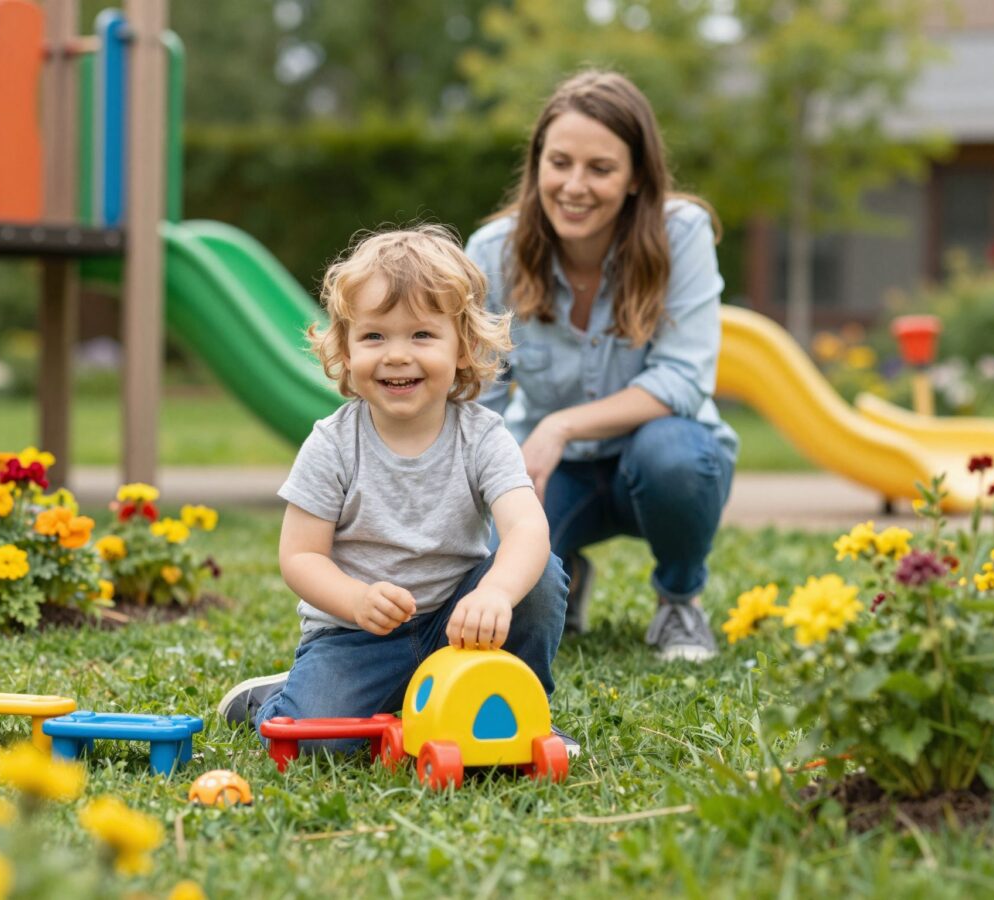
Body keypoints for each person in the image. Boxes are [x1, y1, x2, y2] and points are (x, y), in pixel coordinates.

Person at [217, 225, 574, 754]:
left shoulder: (482, 436)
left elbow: (526, 526)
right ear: (345, 346)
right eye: (375, 336)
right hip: (357, 638)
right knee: (322, 746)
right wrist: (356, 599)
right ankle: (272, 698)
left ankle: (519, 708)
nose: (397, 355)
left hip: (461, 627)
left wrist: (494, 593)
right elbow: (299, 556)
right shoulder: (332, 444)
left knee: (539, 575)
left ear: (463, 347)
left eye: (422, 335)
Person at [466, 70, 738, 661]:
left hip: (661, 459)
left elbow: (684, 380)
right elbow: (475, 396)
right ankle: (568, 573)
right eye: (559, 162)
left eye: (601, 168)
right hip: (552, 472)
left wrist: (560, 425)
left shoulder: (680, 233)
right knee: (498, 591)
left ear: (637, 175)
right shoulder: (493, 252)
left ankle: (679, 603)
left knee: (674, 456)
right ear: (536, 163)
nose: (574, 186)